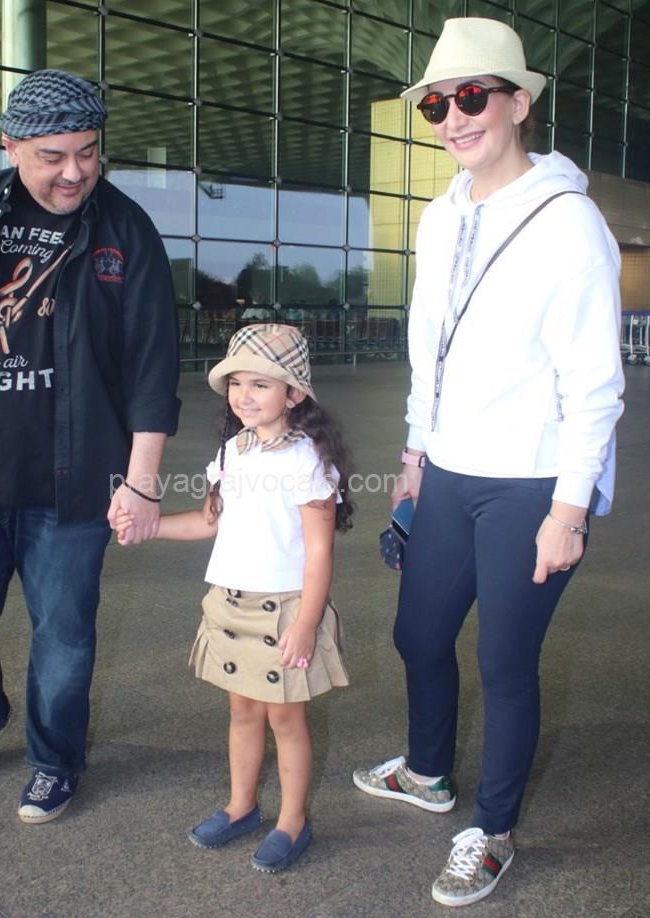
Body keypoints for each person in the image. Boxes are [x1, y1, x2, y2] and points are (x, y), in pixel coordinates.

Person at [352, 17, 624, 907]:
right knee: (418, 634)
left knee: (506, 662)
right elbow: (428, 349)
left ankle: (493, 832)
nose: (454, 117)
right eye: (436, 104)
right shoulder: (440, 217)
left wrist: (568, 512)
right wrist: (414, 455)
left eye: (472, 96)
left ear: (518, 104)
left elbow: (595, 385)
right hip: (450, 469)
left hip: (533, 482)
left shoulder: (569, 222)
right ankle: (428, 772)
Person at [0, 69, 180, 823]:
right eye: (53, 156)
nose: (75, 172)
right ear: (10, 145)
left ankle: (55, 759)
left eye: (88, 151)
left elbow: (152, 366)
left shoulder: (126, 230)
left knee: (65, 638)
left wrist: (142, 481)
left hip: (72, 482)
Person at [115, 324, 352, 872]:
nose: (244, 395)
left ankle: (292, 821)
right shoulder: (233, 451)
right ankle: (241, 806)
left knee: (286, 720)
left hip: (284, 610)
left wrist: (307, 623)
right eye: (237, 383)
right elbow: (208, 521)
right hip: (230, 602)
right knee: (242, 712)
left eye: (261, 384)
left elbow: (319, 553)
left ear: (294, 394)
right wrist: (148, 526)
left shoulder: (308, 459)